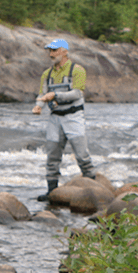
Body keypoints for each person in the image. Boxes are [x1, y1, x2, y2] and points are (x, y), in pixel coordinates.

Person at [32, 37, 95, 200]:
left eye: (54, 50)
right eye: (50, 51)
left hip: (74, 117)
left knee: (82, 155)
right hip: (55, 118)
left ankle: (94, 190)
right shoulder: (46, 74)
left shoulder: (77, 70)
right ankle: (52, 192)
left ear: (64, 51)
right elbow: (42, 94)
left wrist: (55, 95)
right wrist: (39, 105)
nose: (51, 54)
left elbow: (78, 93)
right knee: (52, 157)